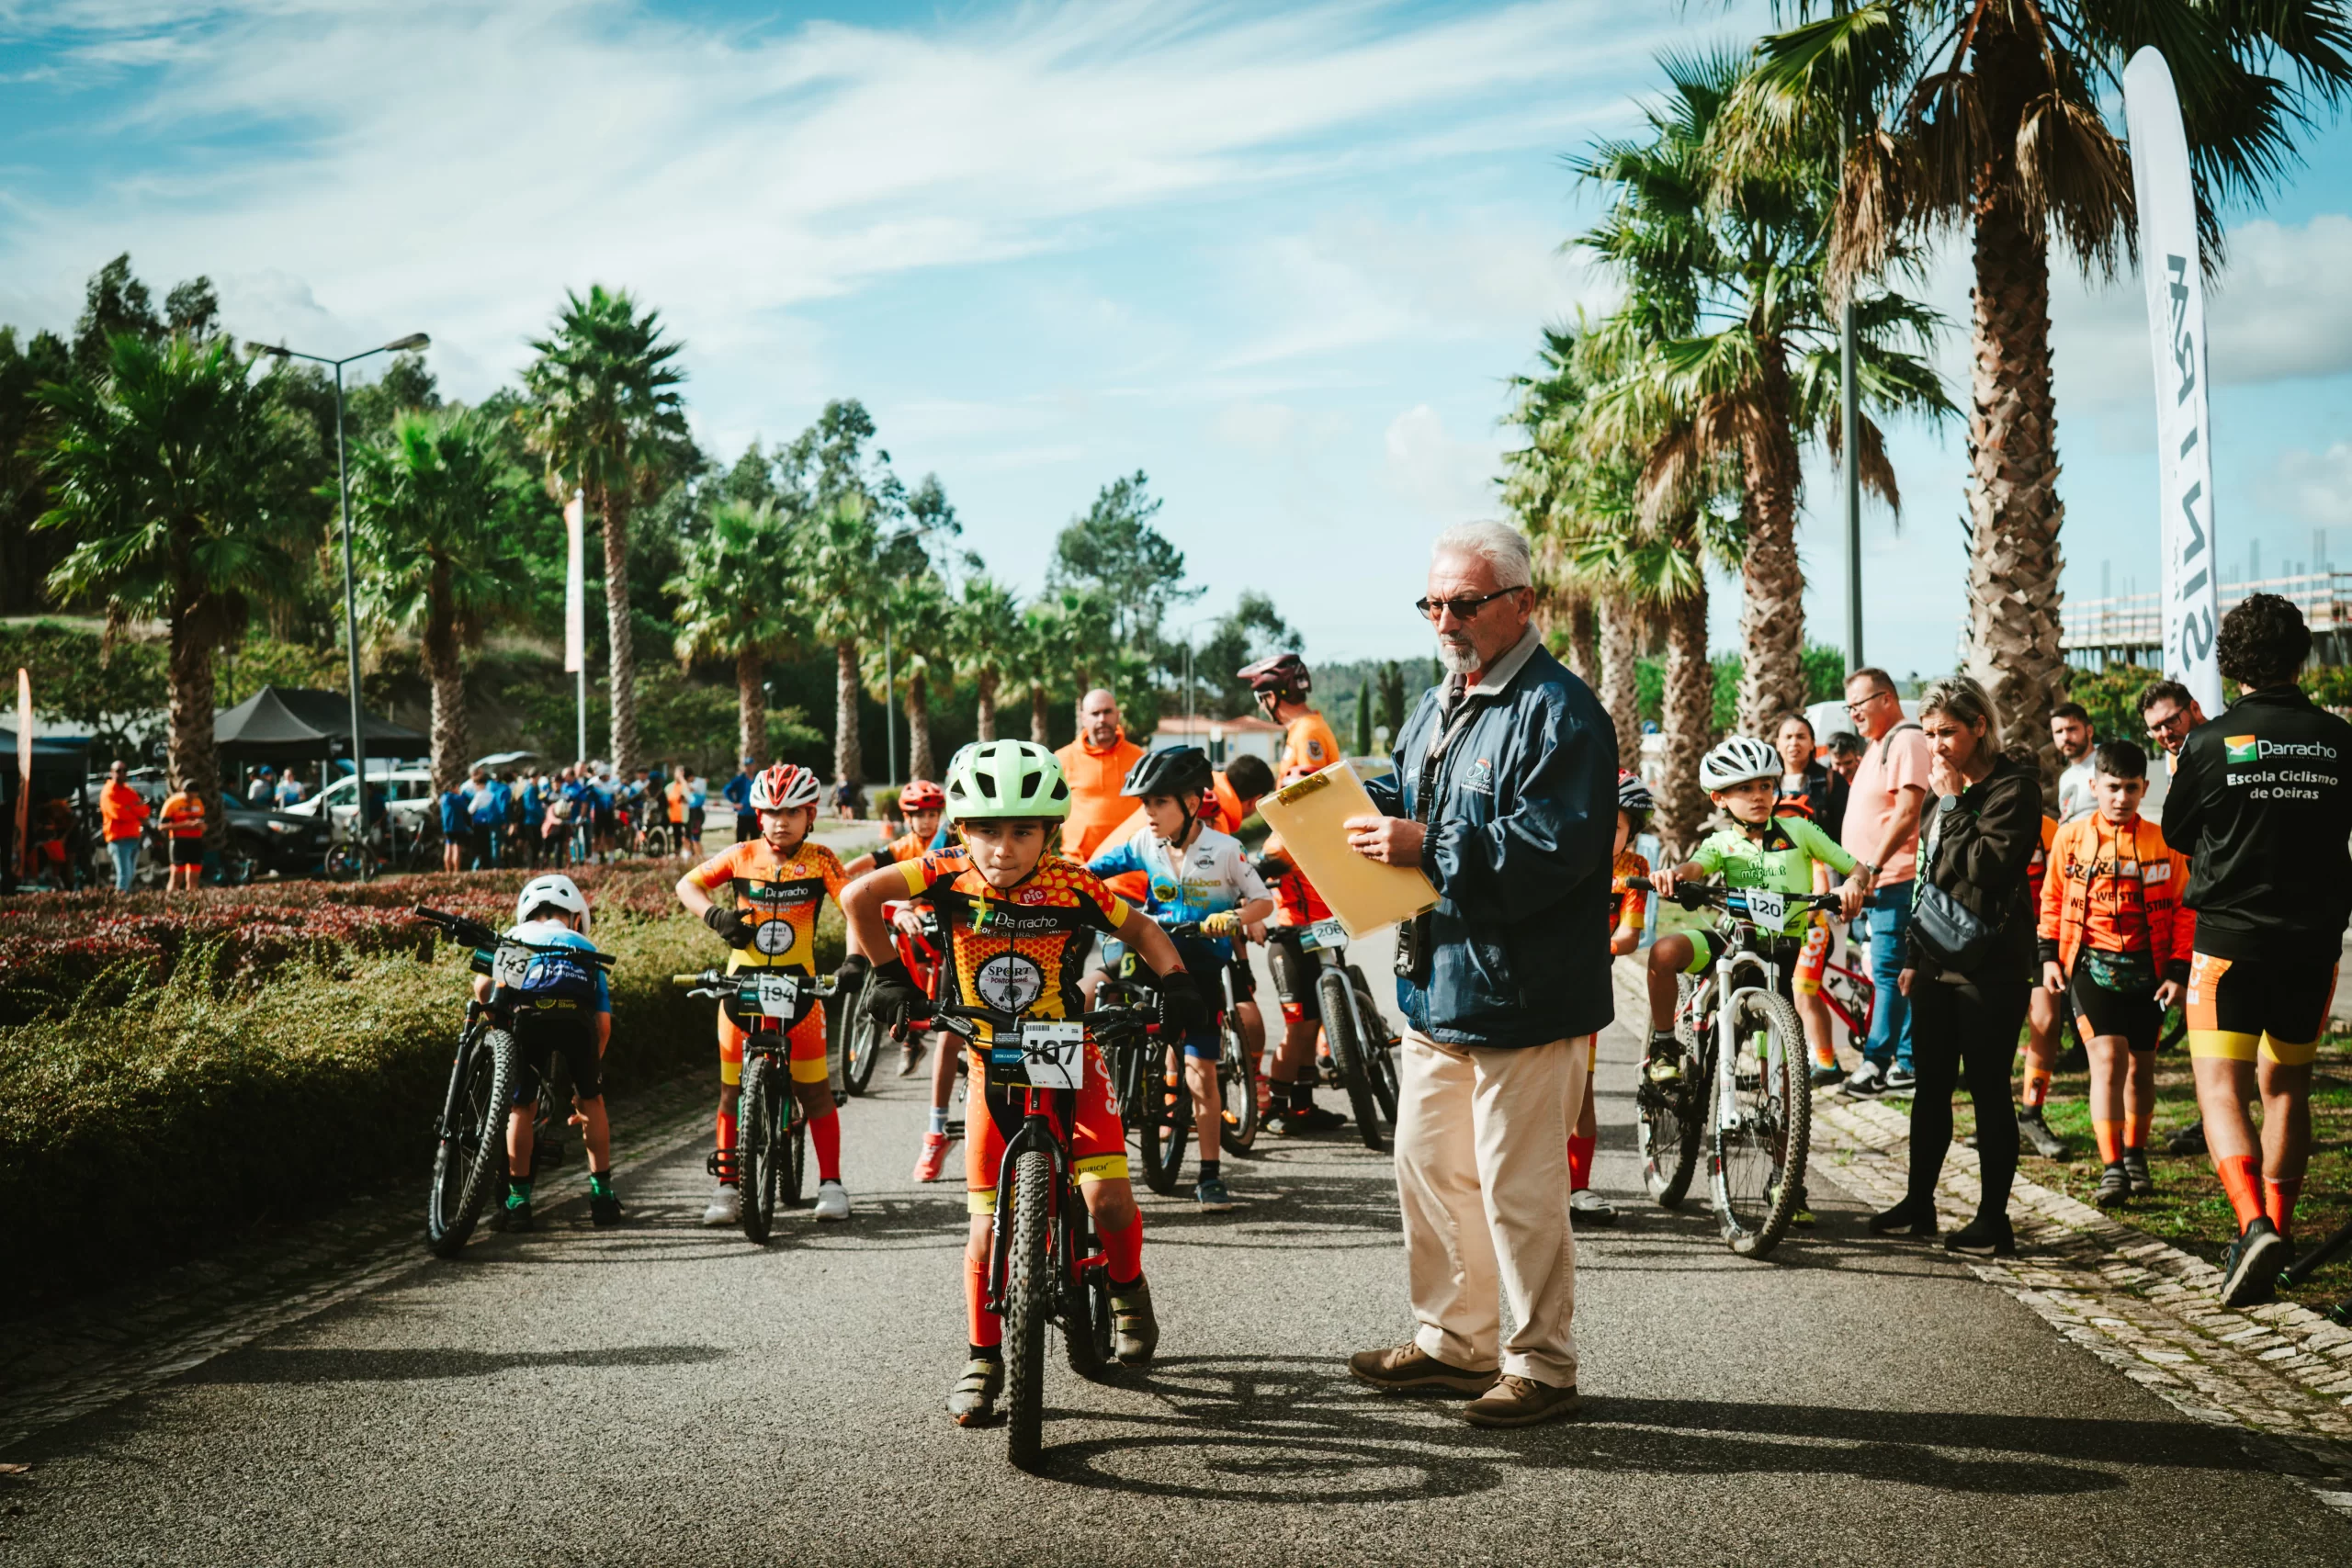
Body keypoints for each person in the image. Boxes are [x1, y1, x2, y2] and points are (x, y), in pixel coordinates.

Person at [838, 739, 1203, 1426]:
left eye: (1023, 831)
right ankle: (982, 1357)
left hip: (1069, 1052)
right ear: (961, 827)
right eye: (986, 830)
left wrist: (1178, 981)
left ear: (1050, 832)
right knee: (983, 1233)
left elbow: (1143, 929)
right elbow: (857, 895)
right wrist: (889, 976)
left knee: (1108, 1200)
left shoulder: (1072, 882)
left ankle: (1127, 1288)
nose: (1003, 848)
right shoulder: (944, 871)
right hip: (989, 1057)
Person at [1342, 521, 1612, 1429]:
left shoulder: (1562, 712)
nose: (1444, 620)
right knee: (1428, 1173)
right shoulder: (1439, 701)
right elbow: (1409, 797)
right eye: (1431, 603)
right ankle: (1454, 1345)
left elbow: (1555, 850)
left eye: (1463, 602)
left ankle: (1541, 1365)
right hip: (1437, 988)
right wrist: (1342, 810)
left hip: (1526, 999)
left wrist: (1425, 844)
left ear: (1522, 602)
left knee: (1519, 1192)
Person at [2164, 594, 2352, 1305]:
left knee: (2221, 1089)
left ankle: (2253, 1227)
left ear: (2230, 663)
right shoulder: (2338, 738)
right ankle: (2281, 1228)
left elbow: (2177, 832)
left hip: (2230, 942)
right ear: (2302, 655)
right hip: (2313, 944)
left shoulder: (2208, 743)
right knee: (2287, 1088)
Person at [1645, 736, 1867, 1214]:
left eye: (1766, 785)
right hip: (1731, 944)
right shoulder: (1723, 842)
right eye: (1744, 788)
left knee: (1780, 1084)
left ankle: (1787, 1184)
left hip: (1778, 962)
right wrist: (1674, 876)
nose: (1759, 795)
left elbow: (1856, 868)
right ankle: (1664, 1045)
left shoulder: (1799, 830)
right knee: (1664, 952)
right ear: (1720, 799)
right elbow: (1695, 866)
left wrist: (1852, 885)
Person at [1870, 675, 2041, 1258]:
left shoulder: (2014, 788)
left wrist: (1955, 802)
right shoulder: (1944, 792)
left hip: (1992, 966)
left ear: (1979, 727)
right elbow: (1932, 878)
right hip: (1937, 961)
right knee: (1931, 1089)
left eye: (1947, 732)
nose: (1936, 745)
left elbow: (1985, 869)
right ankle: (1919, 1203)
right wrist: (1913, 957)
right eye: (1928, 733)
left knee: (1988, 1090)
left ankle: (1994, 1221)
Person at [1088, 746, 1274, 1213]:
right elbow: (1092, 871)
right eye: (1145, 803)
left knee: (1200, 1073)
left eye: (1159, 802)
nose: (1148, 813)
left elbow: (1263, 902)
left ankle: (1209, 1175)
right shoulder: (1144, 844)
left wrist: (1234, 917)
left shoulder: (1226, 850)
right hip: (1154, 960)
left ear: (1191, 803)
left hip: (1202, 969)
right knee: (1108, 1009)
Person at [674, 763, 855, 1227]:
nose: (781, 821)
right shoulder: (740, 855)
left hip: (801, 989)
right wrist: (715, 917)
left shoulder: (821, 859)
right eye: (772, 812)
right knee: (731, 1092)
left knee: (815, 1093)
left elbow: (854, 908)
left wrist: (855, 959)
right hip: (742, 987)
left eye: (792, 812)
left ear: (811, 815)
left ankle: (831, 1185)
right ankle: (727, 1188)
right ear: (759, 816)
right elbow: (687, 885)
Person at [2038, 739, 2191, 1208]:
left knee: (2141, 1070)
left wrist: (2178, 970)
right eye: (2112, 788)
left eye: (2130, 788)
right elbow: (2052, 898)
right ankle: (2112, 1168)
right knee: (2107, 1061)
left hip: (2150, 972)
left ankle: (2135, 1155)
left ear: (2145, 788)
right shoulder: (2070, 837)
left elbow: (2186, 909)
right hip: (2090, 967)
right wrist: (2048, 957)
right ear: (2094, 786)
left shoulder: (2165, 841)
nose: (2121, 798)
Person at [478, 874, 622, 1231]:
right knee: (592, 1102)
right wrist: (586, 1082)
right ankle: (603, 1198)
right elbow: (604, 1025)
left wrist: (501, 1037)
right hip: (577, 1022)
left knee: (521, 1107)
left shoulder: (518, 938)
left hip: (530, 1019)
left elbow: (484, 988)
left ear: (527, 912)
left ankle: (518, 1203)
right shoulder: (585, 948)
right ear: (575, 917)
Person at [1838, 667, 1929, 1099]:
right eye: (1849, 707)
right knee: (1889, 972)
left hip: (1894, 879)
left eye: (1859, 704)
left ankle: (1876, 1063)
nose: (1853, 713)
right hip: (1873, 884)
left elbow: (1908, 812)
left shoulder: (1906, 740)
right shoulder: (1878, 744)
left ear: (1887, 698)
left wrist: (1871, 866)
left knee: (1891, 973)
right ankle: (1907, 1063)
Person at [1573, 771, 1656, 1228]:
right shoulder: (1557, 853)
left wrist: (1598, 947)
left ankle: (1576, 1186)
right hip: (1533, 985)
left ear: (1632, 831)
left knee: (1579, 1091)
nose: (1605, 833)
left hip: (1585, 988)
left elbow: (1629, 935)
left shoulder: (1633, 868)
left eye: (1616, 826)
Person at [2012, 809, 2070, 1159]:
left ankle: (2031, 1114)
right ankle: (1993, 1115)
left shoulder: (2049, 829)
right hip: (1992, 937)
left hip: (2038, 935)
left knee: (2046, 1021)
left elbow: (2059, 885)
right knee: (1995, 1027)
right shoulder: (1982, 815)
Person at [1055, 688, 1146, 863]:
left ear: (1117, 715)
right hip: (1078, 862)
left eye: (1107, 712)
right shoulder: (1062, 759)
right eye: (1095, 714)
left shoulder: (1138, 758)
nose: (1102, 719)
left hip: (1127, 862)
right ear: (1083, 718)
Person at [1239, 652, 1342, 784]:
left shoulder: (1307, 733)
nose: (1261, 707)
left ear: (1272, 697)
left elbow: (1313, 791)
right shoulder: (1304, 727)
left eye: (1260, 699)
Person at [1774, 710, 1849, 841]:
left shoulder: (1831, 780)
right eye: (1788, 737)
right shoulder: (1767, 783)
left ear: (1812, 743)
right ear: (1778, 744)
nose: (1794, 742)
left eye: (1801, 737)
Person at [99, 760, 149, 893]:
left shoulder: (129, 791)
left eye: (124, 770)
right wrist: (135, 812)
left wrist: (129, 808)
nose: (122, 773)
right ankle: (120, 901)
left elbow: (145, 810)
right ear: (111, 772)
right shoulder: (108, 792)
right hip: (119, 840)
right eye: (118, 771)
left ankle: (124, 899)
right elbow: (118, 813)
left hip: (134, 838)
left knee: (130, 875)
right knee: (124, 875)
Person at [2051, 701, 2097, 823]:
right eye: (2058, 732)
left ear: (2089, 731)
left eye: (2071, 729)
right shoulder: (2065, 778)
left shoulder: (2106, 767)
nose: (2065, 737)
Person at [158, 777, 206, 894]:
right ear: (183, 791)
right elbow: (161, 826)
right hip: (178, 842)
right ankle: (170, 900)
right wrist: (185, 824)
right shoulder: (172, 802)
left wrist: (202, 826)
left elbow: (204, 823)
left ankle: (192, 901)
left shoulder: (198, 802)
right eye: (188, 796)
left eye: (194, 796)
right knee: (177, 878)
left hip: (195, 842)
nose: (191, 799)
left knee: (194, 879)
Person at [439, 777, 468, 873]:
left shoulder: (443, 798)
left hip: (447, 827)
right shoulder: (458, 798)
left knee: (448, 848)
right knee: (457, 850)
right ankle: (456, 870)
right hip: (458, 826)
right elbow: (465, 808)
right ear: (454, 787)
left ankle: (448, 870)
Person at [726, 757, 757, 842]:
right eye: (747, 766)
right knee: (741, 840)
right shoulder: (740, 779)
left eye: (750, 765)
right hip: (743, 814)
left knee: (755, 839)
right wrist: (734, 803)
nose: (749, 768)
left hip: (755, 814)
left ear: (754, 766)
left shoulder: (758, 779)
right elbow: (727, 790)